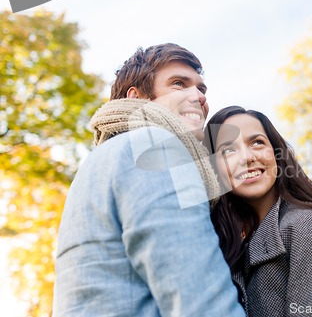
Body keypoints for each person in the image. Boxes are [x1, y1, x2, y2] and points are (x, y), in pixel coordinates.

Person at [53, 44, 245, 317]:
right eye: (179, 84)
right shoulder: (154, 146)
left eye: (201, 89)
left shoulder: (104, 160)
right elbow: (200, 300)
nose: (198, 96)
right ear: (138, 97)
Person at [203, 106, 312, 317]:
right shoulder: (227, 242)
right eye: (228, 150)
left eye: (257, 142)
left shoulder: (308, 223)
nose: (247, 157)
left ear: (276, 154)